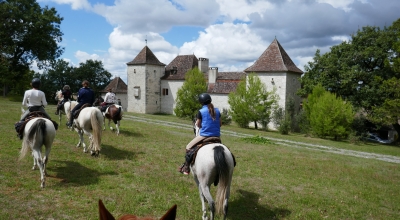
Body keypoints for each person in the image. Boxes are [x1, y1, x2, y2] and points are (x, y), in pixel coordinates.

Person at [178, 93, 222, 175]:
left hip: (204, 135)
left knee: (188, 147)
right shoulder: (217, 111)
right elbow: (220, 124)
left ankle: (186, 168)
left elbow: (198, 125)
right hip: (217, 136)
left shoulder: (201, 111)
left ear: (201, 102)